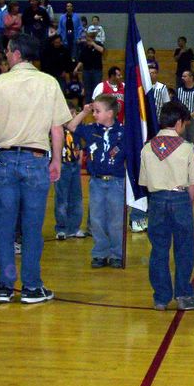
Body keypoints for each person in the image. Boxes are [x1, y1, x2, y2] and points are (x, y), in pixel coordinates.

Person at [0, 33, 72, 304]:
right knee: (32, 227)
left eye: (8, 51)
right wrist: (56, 160)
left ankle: (5, 285)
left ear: (17, 53)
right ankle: (31, 287)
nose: (6, 55)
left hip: (4, 160)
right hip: (36, 160)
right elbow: (57, 128)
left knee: (4, 226)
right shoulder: (49, 83)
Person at [138, 100, 194, 311]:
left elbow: (144, 182)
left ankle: (161, 297)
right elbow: (193, 184)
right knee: (184, 249)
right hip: (180, 198)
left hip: (157, 200)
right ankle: (183, 294)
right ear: (179, 123)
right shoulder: (187, 148)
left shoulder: (147, 147)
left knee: (158, 249)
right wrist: (187, 202)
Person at [67, 95, 126, 269]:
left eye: (97, 111)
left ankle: (116, 254)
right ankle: (100, 252)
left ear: (110, 113)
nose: (94, 114)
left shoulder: (123, 132)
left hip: (116, 182)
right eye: (93, 111)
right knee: (97, 219)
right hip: (97, 182)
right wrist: (84, 112)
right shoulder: (91, 129)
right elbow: (71, 126)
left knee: (116, 220)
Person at [54, 107, 85, 240]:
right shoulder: (57, 129)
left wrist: (80, 160)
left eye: (74, 114)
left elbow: (80, 146)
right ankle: (62, 228)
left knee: (76, 197)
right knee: (62, 198)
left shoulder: (76, 129)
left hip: (74, 165)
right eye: (70, 113)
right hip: (62, 165)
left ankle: (74, 227)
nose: (72, 116)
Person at [75, 31, 105, 103]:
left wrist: (93, 44)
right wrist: (76, 68)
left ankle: (96, 104)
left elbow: (102, 50)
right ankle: (88, 105)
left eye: (89, 40)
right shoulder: (84, 47)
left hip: (97, 71)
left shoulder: (98, 44)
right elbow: (81, 60)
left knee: (96, 89)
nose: (88, 41)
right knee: (87, 89)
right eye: (87, 40)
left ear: (93, 39)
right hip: (86, 71)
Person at [177, 70, 194, 146]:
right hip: (181, 119)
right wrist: (184, 118)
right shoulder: (179, 90)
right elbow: (176, 105)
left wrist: (189, 117)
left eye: (184, 76)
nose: (182, 78)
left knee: (193, 141)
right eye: (182, 76)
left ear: (191, 78)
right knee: (181, 141)